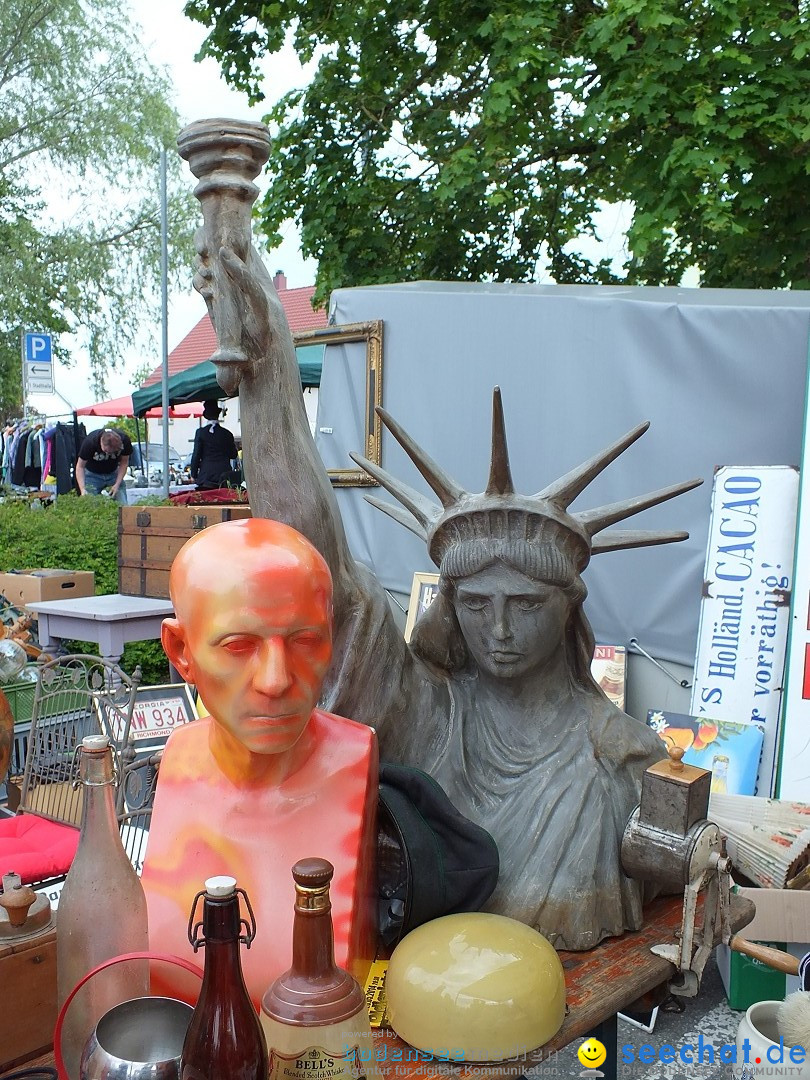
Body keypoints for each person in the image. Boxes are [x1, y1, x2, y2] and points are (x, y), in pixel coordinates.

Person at [192, 241, 699, 952]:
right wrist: (271, 372)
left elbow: (674, 865)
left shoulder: (621, 755)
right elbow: (319, 574)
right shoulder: (433, 714)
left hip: (566, 1006)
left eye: (525, 606)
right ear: (450, 607)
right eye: (475, 605)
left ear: (568, 608)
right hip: (427, 998)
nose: (497, 629)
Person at [140, 517, 378, 1005]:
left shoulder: (355, 757)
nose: (276, 680)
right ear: (180, 652)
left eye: (305, 640)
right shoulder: (178, 759)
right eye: (239, 646)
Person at [189, 399, 238, 489]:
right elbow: (233, 455)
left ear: (206, 416)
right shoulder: (227, 433)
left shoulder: (201, 433)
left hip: (206, 476)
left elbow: (196, 455)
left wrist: (194, 474)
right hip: (224, 474)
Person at [75, 427, 132, 503]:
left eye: (113, 452)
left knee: (122, 504)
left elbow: (124, 463)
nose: (108, 454)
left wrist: (117, 484)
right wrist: (82, 489)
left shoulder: (125, 440)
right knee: (90, 505)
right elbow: (80, 466)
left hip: (113, 474)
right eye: (106, 451)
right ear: (101, 442)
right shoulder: (90, 442)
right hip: (92, 475)